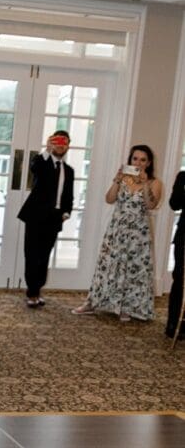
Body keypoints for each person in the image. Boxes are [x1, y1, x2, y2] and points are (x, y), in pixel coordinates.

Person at [72, 144, 163, 322]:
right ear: (130, 160)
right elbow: (109, 199)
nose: (138, 163)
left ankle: (126, 307)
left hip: (138, 233)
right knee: (107, 265)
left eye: (143, 160)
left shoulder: (155, 183)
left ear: (149, 162)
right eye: (135, 159)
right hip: (117, 229)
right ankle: (93, 302)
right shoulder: (123, 179)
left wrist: (145, 184)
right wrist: (116, 180)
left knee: (133, 267)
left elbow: (151, 204)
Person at [17, 130, 74, 307]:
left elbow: (68, 195)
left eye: (64, 143)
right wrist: (47, 150)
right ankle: (32, 292)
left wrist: (66, 213)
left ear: (68, 146)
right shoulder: (42, 162)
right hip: (35, 216)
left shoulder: (69, 171)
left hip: (55, 218)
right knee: (32, 254)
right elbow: (35, 168)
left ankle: (38, 289)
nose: (61, 146)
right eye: (57, 142)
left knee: (44, 256)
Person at [166, 170, 185, 339]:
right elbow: (174, 204)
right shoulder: (183, 177)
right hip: (183, 238)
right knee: (179, 279)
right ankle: (173, 324)